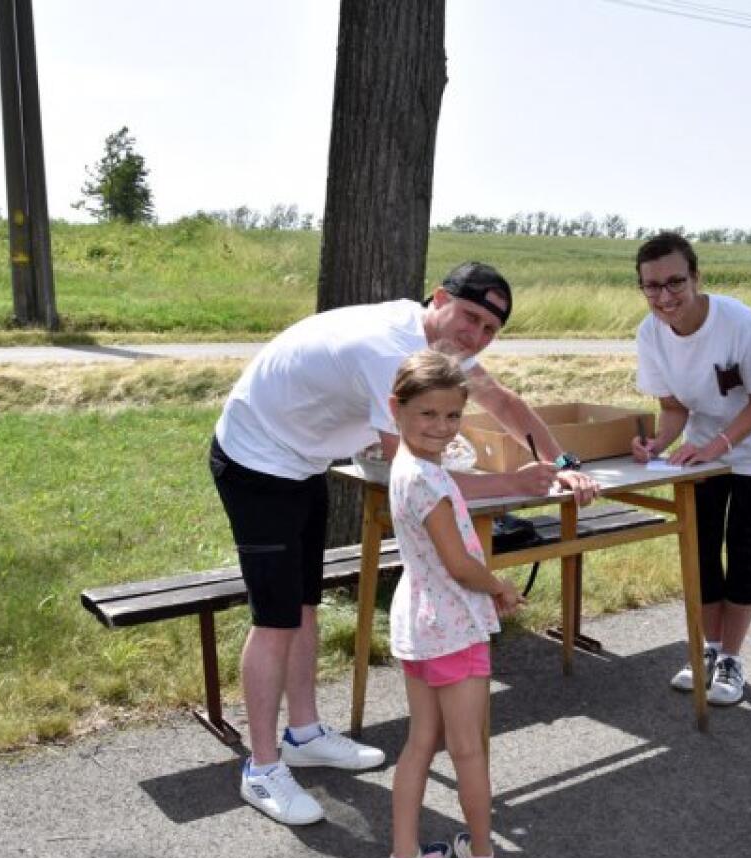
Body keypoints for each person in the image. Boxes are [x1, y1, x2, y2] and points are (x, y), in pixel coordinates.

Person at [211, 261, 599, 826]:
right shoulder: (387, 352)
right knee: (275, 620)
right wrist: (513, 483)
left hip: (304, 461)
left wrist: (562, 462)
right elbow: (415, 475)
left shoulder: (437, 345)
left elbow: (503, 402)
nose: (476, 336)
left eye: (490, 330)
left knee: (303, 605)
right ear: (438, 298)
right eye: (469, 318)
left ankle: (304, 734)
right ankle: (262, 768)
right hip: (256, 459)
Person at [630, 232, 751, 706]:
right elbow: (674, 408)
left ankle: (731, 658)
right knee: (702, 543)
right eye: (652, 286)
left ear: (696, 277)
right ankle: (707, 648)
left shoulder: (736, 321)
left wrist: (719, 446)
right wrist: (657, 443)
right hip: (706, 443)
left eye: (675, 282)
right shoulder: (650, 333)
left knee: (741, 542)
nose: (665, 296)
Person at [383, 350, 520, 858]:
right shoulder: (429, 481)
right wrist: (500, 587)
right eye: (428, 414)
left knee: (420, 740)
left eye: (452, 415)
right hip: (453, 627)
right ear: (396, 408)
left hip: (418, 624)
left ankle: (405, 853)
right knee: (467, 748)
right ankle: (480, 850)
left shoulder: (404, 467)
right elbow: (459, 564)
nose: (441, 427)